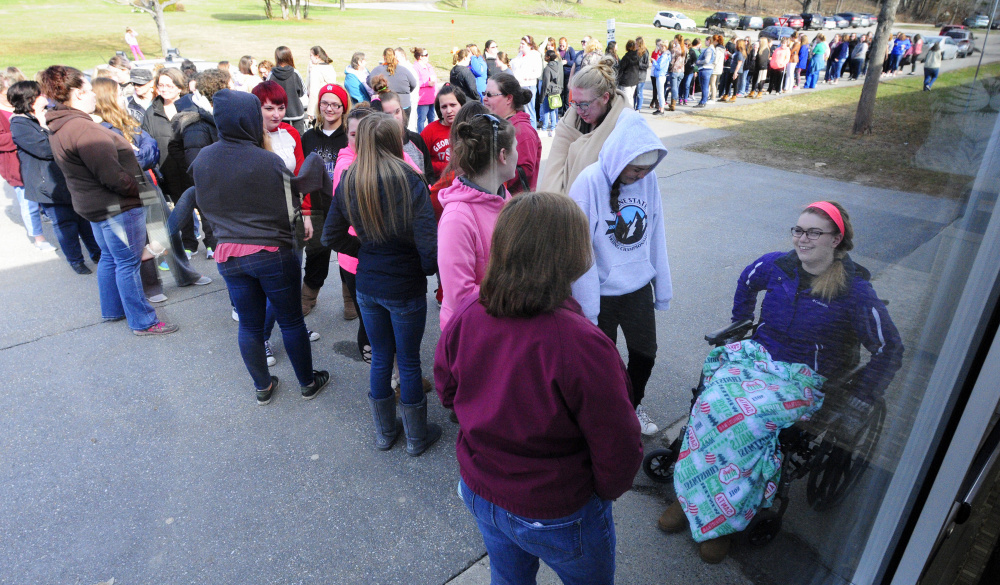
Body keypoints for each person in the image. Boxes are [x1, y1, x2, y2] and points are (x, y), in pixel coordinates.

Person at [657, 201, 903, 562]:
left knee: (750, 422)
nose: (802, 239)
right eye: (799, 230)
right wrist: (741, 322)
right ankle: (690, 498)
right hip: (758, 358)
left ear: (836, 239)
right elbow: (746, 279)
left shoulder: (855, 291)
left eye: (814, 232)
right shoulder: (776, 265)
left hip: (803, 377)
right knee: (710, 403)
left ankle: (722, 522)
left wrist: (860, 397)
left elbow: (889, 349)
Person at [435, 191, 643, 585]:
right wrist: (600, 493)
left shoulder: (468, 312)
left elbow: (447, 391)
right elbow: (617, 441)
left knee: (509, 578)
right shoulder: (583, 344)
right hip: (555, 507)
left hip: (481, 489)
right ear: (570, 255)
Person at [192, 89, 329, 404]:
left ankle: (263, 387)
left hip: (228, 256)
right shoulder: (268, 161)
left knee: (250, 326)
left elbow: (203, 206)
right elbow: (289, 209)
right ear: (251, 119)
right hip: (271, 253)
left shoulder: (203, 159)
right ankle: (308, 383)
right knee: (291, 320)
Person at [322, 113, 440, 457]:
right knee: (408, 361)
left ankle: (385, 433)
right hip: (403, 286)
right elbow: (429, 249)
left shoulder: (350, 179)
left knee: (381, 360)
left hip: (368, 283)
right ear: (395, 141)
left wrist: (368, 251)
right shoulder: (410, 180)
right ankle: (417, 437)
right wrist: (419, 267)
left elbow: (331, 235)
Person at [42, 65, 177, 336]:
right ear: (78, 94)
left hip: (96, 205)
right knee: (127, 263)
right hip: (116, 205)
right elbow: (112, 176)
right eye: (89, 91)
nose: (94, 95)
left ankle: (114, 310)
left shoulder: (62, 124)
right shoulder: (83, 129)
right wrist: (136, 191)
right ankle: (144, 321)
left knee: (111, 258)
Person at [569, 109, 671, 436]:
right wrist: (587, 308)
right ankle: (600, 417)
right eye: (635, 169)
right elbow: (578, 247)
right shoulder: (589, 182)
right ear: (618, 158)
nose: (641, 176)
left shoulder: (648, 180)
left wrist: (662, 286)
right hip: (599, 291)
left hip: (637, 288)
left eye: (646, 170)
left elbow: (656, 231)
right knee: (602, 365)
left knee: (645, 354)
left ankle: (630, 405)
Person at [8, 80, 100, 272]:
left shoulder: (49, 113)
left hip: (67, 179)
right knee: (65, 224)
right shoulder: (19, 123)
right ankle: (76, 260)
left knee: (84, 219)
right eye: (40, 94)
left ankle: (96, 253)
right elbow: (45, 149)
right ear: (30, 99)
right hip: (47, 185)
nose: (45, 97)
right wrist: (44, 126)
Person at [92, 77, 170, 302]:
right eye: (118, 94)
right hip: (127, 191)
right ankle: (150, 287)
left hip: (145, 182)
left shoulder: (125, 119)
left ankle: (171, 275)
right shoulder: (100, 128)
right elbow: (135, 159)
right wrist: (140, 153)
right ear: (108, 98)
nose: (123, 98)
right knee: (138, 239)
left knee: (160, 228)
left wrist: (141, 153)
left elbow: (150, 145)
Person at [436, 110, 516, 329]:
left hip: (502, 322)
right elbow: (459, 295)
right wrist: (519, 291)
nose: (518, 153)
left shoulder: (502, 196)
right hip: (472, 332)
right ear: (503, 155)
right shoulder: (457, 219)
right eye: (515, 147)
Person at [539, 59, 629, 195]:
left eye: (585, 104)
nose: (579, 110)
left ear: (605, 98)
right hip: (567, 208)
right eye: (574, 102)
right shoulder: (569, 122)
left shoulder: (626, 124)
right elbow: (552, 178)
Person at [142, 68, 195, 247]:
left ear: (180, 86)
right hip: (168, 168)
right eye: (160, 85)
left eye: (169, 85)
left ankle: (212, 243)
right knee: (181, 207)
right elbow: (147, 140)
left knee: (203, 206)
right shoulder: (152, 112)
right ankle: (189, 243)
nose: (164, 89)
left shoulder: (191, 106)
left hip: (192, 165)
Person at [420, 84, 466, 185]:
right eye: (444, 107)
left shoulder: (469, 128)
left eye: (453, 105)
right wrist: (447, 166)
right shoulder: (430, 131)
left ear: (462, 105)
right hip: (438, 185)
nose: (449, 111)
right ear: (439, 109)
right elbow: (419, 161)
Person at [367, 48, 418, 119]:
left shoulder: (377, 70)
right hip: (404, 103)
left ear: (384, 56)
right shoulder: (404, 70)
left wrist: (378, 89)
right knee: (403, 128)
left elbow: (369, 82)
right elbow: (413, 84)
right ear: (394, 56)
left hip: (384, 104)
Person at [267, 46, 307, 134]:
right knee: (299, 140)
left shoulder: (272, 74)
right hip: (296, 112)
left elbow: (267, 93)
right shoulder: (295, 73)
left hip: (278, 114)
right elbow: (303, 92)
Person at [509, 35, 543, 128]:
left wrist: (525, 77)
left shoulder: (535, 55)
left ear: (529, 45)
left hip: (528, 86)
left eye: (523, 44)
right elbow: (513, 65)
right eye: (520, 43)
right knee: (520, 110)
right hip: (519, 85)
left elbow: (537, 72)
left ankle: (533, 132)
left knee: (529, 111)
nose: (521, 45)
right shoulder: (519, 55)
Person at [306, 46, 338, 122]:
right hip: (330, 104)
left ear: (317, 57)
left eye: (311, 55)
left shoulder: (316, 70)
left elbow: (313, 92)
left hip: (319, 106)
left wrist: (310, 111)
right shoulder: (330, 68)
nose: (310, 58)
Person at [412, 47, 438, 132]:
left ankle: (432, 134)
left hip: (432, 98)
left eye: (427, 54)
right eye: (426, 55)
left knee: (432, 118)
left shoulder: (429, 66)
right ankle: (422, 137)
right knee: (421, 120)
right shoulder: (415, 67)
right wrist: (426, 83)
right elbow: (414, 82)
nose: (428, 56)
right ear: (420, 57)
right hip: (423, 99)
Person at [538, 50, 563, 137]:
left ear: (548, 57)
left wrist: (542, 97)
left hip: (548, 92)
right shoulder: (558, 66)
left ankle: (544, 128)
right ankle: (553, 128)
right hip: (556, 91)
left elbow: (545, 84)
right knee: (553, 110)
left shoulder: (547, 69)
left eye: (545, 55)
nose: (544, 57)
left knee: (545, 111)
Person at [617, 40, 641, 107]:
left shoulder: (626, 57)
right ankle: (631, 110)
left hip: (626, 81)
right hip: (634, 80)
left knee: (626, 98)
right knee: (631, 97)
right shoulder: (637, 56)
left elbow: (621, 68)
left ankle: (628, 111)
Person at [694, 36, 716, 107]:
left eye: (705, 41)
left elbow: (707, 60)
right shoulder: (713, 49)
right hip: (708, 69)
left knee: (704, 86)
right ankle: (703, 101)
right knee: (705, 86)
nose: (704, 42)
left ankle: (703, 101)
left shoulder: (709, 50)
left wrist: (699, 61)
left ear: (709, 41)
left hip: (705, 69)